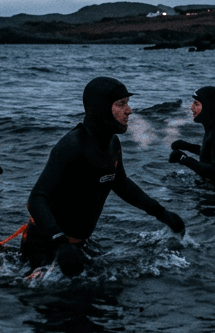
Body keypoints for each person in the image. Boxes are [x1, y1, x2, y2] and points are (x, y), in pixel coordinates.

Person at [23, 76, 187, 276]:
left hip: (78, 244)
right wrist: (61, 244)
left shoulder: (112, 143)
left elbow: (121, 184)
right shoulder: (73, 145)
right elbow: (36, 199)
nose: (130, 110)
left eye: (128, 103)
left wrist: (162, 214)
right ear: (101, 108)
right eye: (121, 104)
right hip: (44, 246)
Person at [168, 85, 215, 186]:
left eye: (196, 104)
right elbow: (213, 154)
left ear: (208, 107)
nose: (192, 107)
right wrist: (187, 146)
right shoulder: (214, 127)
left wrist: (183, 159)